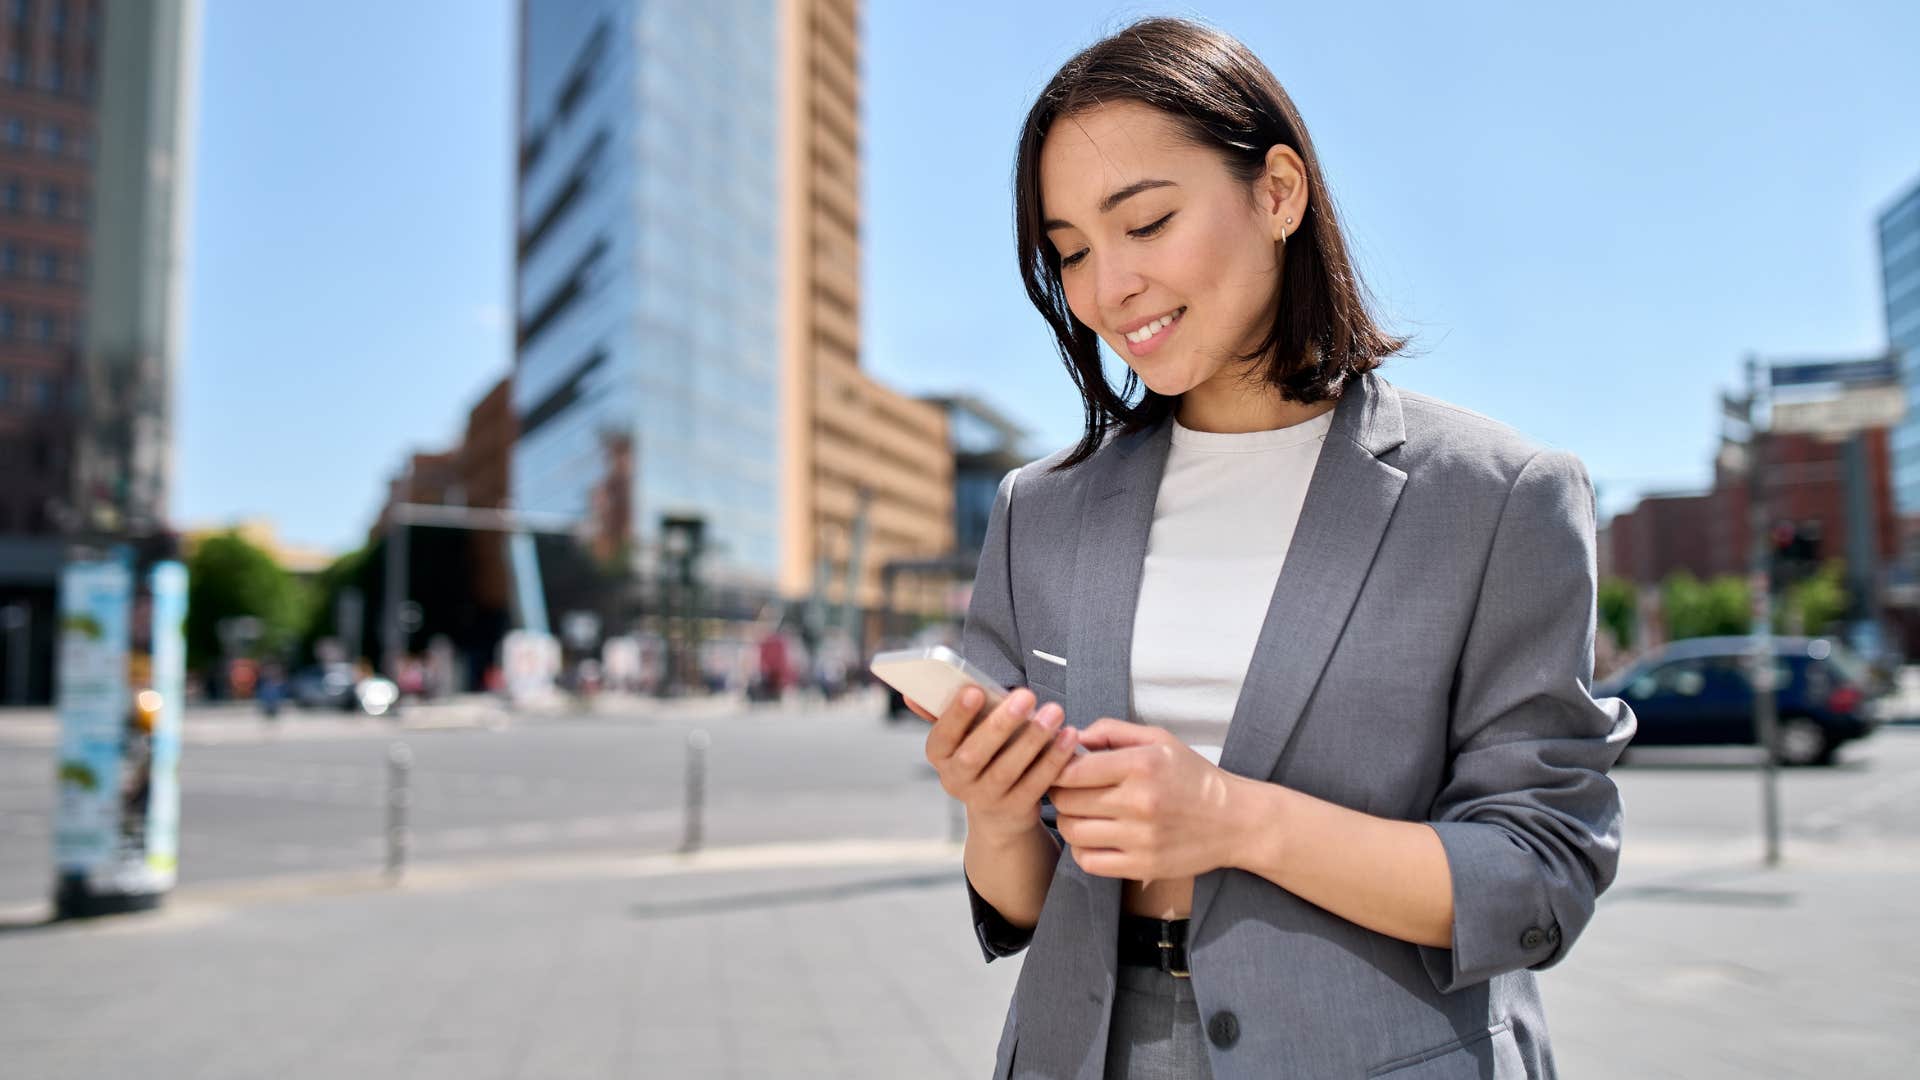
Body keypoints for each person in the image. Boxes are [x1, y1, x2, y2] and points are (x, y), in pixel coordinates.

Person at [906, 18, 1635, 1079]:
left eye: (1146, 222)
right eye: (1069, 251)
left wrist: (1231, 820)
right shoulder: (1038, 512)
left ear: (1278, 193)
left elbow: (1539, 873)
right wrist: (994, 809)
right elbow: (1018, 901)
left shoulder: (1496, 498)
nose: (1108, 288)